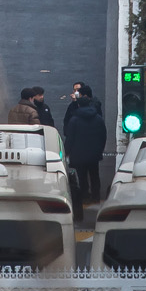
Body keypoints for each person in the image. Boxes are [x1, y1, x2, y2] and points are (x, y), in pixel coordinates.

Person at [62, 82, 106, 220]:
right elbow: (103, 135)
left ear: (79, 105)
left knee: (82, 176)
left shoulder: (74, 119)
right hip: (94, 152)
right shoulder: (98, 118)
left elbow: (70, 137)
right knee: (94, 174)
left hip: (78, 153)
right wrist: (100, 149)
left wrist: (67, 151)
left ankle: (85, 196)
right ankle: (96, 196)